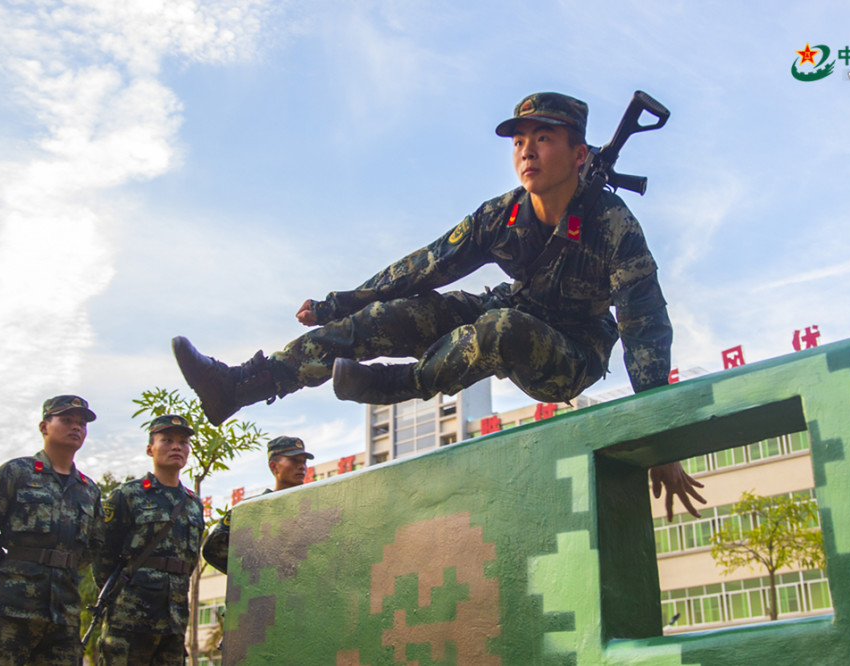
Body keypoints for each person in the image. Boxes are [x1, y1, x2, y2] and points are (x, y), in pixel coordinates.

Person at [173, 92, 704, 519]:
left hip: (570, 355)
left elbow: (645, 328)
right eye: (520, 141)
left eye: (544, 139)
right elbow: (425, 266)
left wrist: (659, 436)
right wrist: (342, 304)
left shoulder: (613, 225)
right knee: (390, 319)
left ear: (579, 154)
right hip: (510, 308)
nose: (527, 151)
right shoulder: (503, 215)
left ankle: (400, 385)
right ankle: (243, 386)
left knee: (498, 327)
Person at [0, 395, 102, 666]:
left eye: (82, 423)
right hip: (11, 609)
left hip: (64, 614)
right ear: (44, 426)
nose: (76, 427)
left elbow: (94, 545)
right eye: (66, 420)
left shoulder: (89, 490)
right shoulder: (17, 473)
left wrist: (62, 567)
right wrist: (9, 571)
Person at [94, 414, 204, 665]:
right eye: (167, 440)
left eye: (183, 442)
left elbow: (189, 560)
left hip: (174, 620)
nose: (177, 446)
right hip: (130, 618)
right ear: (149, 449)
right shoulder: (128, 495)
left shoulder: (193, 504)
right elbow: (103, 554)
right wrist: (120, 595)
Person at [201, 436, 314, 574]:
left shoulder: (313, 508)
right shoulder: (249, 510)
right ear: (274, 466)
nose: (302, 466)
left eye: (304, 462)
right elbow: (213, 550)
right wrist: (251, 575)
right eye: (294, 460)